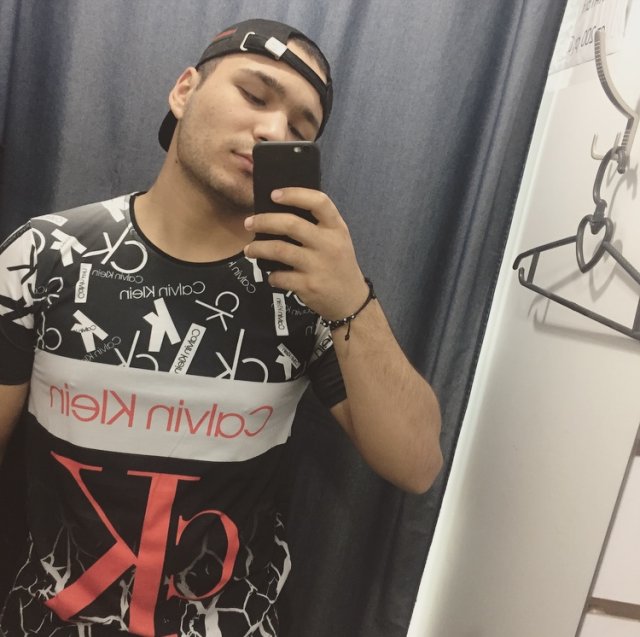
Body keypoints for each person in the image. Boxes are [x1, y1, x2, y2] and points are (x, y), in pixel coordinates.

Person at [0, 18, 442, 637]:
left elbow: (417, 464)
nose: (273, 131)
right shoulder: (47, 254)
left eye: (300, 130)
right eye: (255, 95)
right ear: (185, 90)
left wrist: (352, 299)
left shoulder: (310, 288)